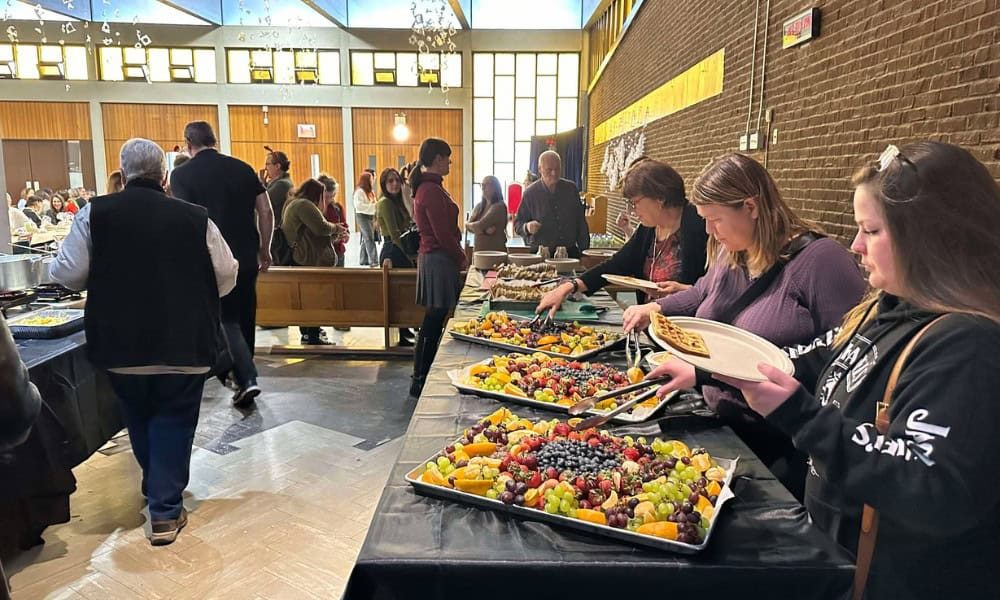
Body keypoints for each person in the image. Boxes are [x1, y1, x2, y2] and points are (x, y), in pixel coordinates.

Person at [658, 141, 1000, 599]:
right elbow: (818, 356)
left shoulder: (967, 347)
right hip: (833, 556)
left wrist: (799, 415)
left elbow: (931, 485)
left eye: (871, 231)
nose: (855, 245)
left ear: (929, 236)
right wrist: (723, 371)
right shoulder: (885, 309)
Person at [626, 152, 866, 499]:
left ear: (751, 207)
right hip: (720, 423)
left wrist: (705, 372)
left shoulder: (821, 261)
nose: (708, 230)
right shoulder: (729, 252)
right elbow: (700, 295)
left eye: (716, 219)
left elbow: (845, 351)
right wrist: (654, 308)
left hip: (776, 444)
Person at [49, 138, 238, 546]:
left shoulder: (94, 214)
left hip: (121, 341)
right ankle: (165, 509)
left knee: (138, 413)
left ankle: (158, 490)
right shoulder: (195, 218)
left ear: (123, 172)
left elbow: (68, 273)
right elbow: (226, 273)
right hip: (183, 340)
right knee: (174, 416)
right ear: (164, 175)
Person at [170, 121, 273, 406]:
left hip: (210, 260)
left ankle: (243, 376)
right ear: (214, 140)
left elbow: (182, 220)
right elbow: (265, 210)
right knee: (245, 314)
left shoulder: (181, 176)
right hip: (246, 255)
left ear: (188, 143)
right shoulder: (242, 168)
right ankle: (243, 373)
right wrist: (266, 248)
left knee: (224, 319)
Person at [537, 158, 708, 316]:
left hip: (686, 330)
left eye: (635, 203)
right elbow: (617, 264)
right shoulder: (649, 228)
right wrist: (570, 286)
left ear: (659, 198)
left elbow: (720, 292)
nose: (633, 211)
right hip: (649, 323)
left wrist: (687, 290)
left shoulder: (701, 226)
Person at [410, 138, 465, 398]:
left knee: (433, 320)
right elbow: (442, 233)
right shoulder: (430, 190)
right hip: (438, 258)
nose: (450, 162)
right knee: (433, 320)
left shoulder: (431, 187)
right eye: (447, 157)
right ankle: (421, 377)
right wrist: (460, 256)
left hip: (437, 258)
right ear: (437, 159)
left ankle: (422, 376)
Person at [282, 178, 343, 345]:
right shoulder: (304, 205)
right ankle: (313, 334)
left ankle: (309, 333)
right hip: (307, 259)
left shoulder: (293, 203)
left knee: (306, 299)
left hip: (300, 257)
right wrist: (336, 228)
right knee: (314, 298)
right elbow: (321, 227)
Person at [514, 151, 590, 258]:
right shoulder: (530, 193)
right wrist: (527, 227)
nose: (554, 173)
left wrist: (585, 252)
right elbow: (517, 224)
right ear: (540, 169)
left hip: (569, 253)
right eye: (549, 170)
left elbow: (580, 222)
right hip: (541, 254)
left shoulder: (570, 189)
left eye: (557, 169)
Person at [376, 168, 415, 269]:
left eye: (398, 180)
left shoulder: (399, 202)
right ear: (384, 184)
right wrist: (409, 257)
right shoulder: (385, 202)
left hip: (402, 247)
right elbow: (394, 233)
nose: (395, 183)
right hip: (393, 250)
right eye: (390, 181)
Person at [465, 175, 508, 253]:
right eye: (482, 184)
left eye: (487, 184)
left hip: (495, 254)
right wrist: (484, 231)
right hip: (479, 253)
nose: (483, 187)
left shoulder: (499, 206)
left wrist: (476, 228)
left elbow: (479, 226)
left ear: (495, 187)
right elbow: (467, 226)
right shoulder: (479, 206)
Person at [318, 174, 349, 267]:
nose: (330, 200)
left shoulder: (337, 208)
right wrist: (332, 238)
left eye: (333, 196)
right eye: (326, 197)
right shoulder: (313, 209)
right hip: (320, 254)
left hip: (338, 252)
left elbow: (345, 228)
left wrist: (345, 236)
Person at [354, 171, 378, 266]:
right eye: (371, 180)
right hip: (362, 216)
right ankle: (374, 260)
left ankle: (363, 259)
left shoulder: (370, 192)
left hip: (370, 215)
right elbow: (359, 206)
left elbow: (374, 203)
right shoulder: (359, 192)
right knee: (369, 238)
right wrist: (374, 206)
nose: (373, 181)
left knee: (366, 237)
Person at [264, 150, 293, 227]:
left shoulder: (282, 185)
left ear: (277, 166)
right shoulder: (277, 183)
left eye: (268, 164)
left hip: (275, 230)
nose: (265, 168)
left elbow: (261, 203)